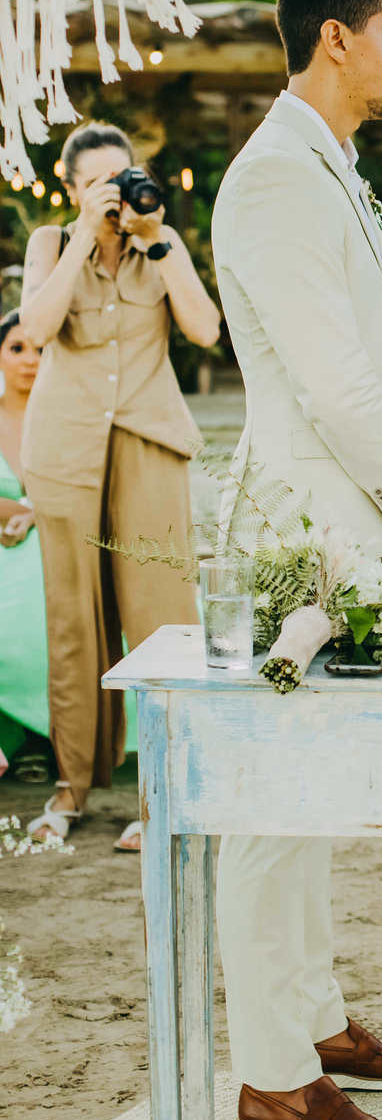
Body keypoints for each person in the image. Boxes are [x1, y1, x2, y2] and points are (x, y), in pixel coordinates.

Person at [211, 0, 382, 1120]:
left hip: (353, 515)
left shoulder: (334, 170)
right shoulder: (273, 182)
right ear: (336, 40)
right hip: (305, 526)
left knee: (312, 799)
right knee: (268, 805)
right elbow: (328, 376)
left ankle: (312, 1022)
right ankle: (274, 1081)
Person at [19, 122, 221, 849]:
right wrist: (79, 237)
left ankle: (164, 789)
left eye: (124, 177)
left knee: (164, 618)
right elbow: (37, 329)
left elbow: (203, 329)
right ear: (73, 188)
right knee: (75, 620)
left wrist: (157, 240)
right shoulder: (50, 243)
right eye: (99, 183)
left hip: (150, 440)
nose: (117, 195)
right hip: (65, 450)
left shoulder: (160, 243)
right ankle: (72, 789)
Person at [0, 310, 50, 780]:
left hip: (56, 539)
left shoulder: (64, 419)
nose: (30, 360)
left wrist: (38, 514)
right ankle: (13, 734)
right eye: (17, 348)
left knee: (39, 583)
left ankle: (44, 733)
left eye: (40, 349)